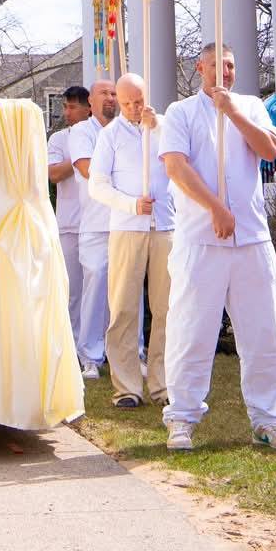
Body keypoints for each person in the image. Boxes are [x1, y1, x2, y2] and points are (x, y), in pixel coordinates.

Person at [157, 43, 276, 453]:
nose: (225, 72)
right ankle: (182, 417)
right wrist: (215, 207)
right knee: (192, 332)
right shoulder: (180, 113)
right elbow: (176, 167)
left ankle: (268, 419)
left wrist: (233, 112)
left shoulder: (252, 106)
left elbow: (270, 150)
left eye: (232, 65)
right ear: (200, 67)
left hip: (253, 238)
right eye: (217, 65)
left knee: (262, 334)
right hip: (201, 240)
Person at [87, 70, 173, 408]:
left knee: (166, 307)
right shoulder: (109, 136)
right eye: (127, 103)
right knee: (123, 307)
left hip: (166, 224)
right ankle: (126, 386)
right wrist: (130, 204)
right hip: (126, 226)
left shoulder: (164, 125)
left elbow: (185, 163)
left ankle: (162, 382)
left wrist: (158, 127)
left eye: (138, 101)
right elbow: (97, 185)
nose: (135, 108)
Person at [65, 76, 117, 380]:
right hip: (96, 224)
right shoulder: (81, 131)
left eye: (114, 93)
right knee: (95, 287)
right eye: (103, 93)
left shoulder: (131, 129)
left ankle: (129, 352)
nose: (110, 98)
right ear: (91, 103)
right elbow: (86, 169)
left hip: (126, 223)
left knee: (126, 292)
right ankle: (90, 356)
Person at [46, 85, 90, 354]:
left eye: (73, 107)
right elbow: (53, 174)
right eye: (65, 106)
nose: (67, 112)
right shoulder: (59, 139)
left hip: (100, 223)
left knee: (104, 291)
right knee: (72, 289)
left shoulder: (103, 135)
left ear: (89, 108)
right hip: (69, 223)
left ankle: (104, 346)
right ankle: (73, 346)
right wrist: (80, 158)